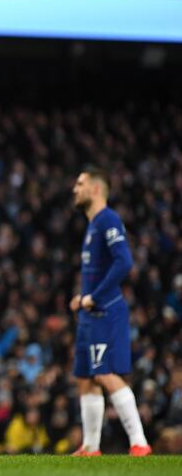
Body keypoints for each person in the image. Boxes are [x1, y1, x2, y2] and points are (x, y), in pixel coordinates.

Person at [68, 167, 151, 457]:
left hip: (106, 311)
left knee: (104, 374)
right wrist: (83, 297)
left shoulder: (108, 220)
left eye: (80, 184)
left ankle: (139, 441)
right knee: (85, 377)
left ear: (95, 189)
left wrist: (94, 297)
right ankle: (91, 446)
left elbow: (124, 262)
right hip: (90, 312)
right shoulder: (92, 225)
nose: (74, 189)